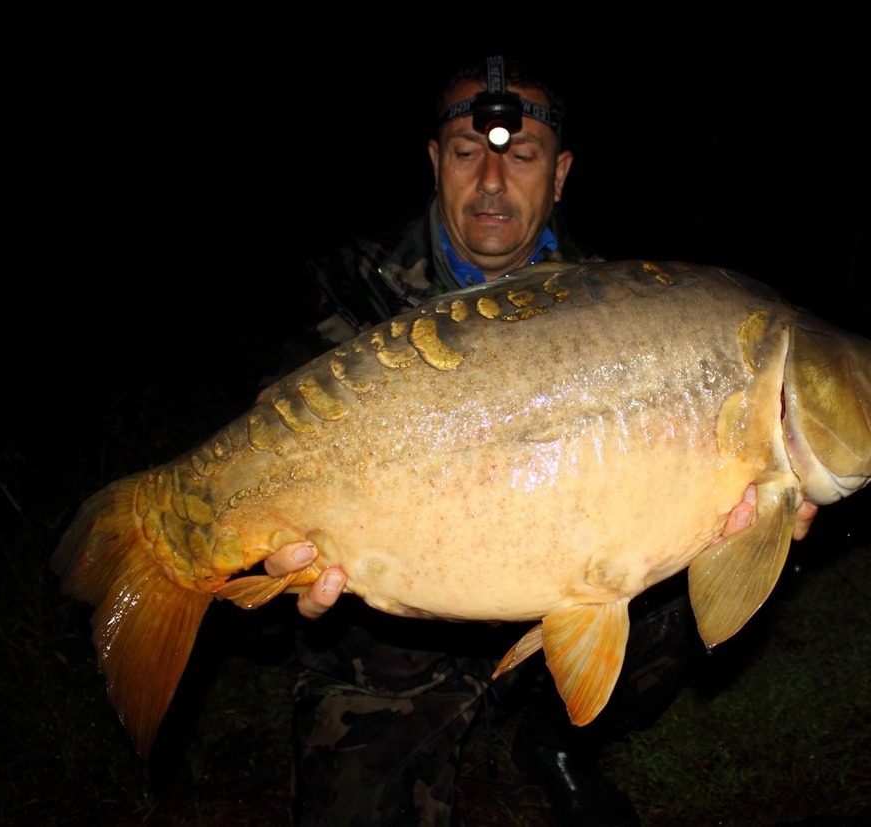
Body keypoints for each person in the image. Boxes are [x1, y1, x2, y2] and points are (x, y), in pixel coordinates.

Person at [261, 55, 818, 827]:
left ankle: (556, 740)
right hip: (392, 631)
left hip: (568, 586)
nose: (492, 180)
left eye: (520, 157)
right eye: (467, 153)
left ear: (559, 175)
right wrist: (282, 551)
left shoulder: (624, 303)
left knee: (685, 596)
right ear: (434, 163)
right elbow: (282, 446)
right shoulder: (352, 290)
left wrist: (751, 504)